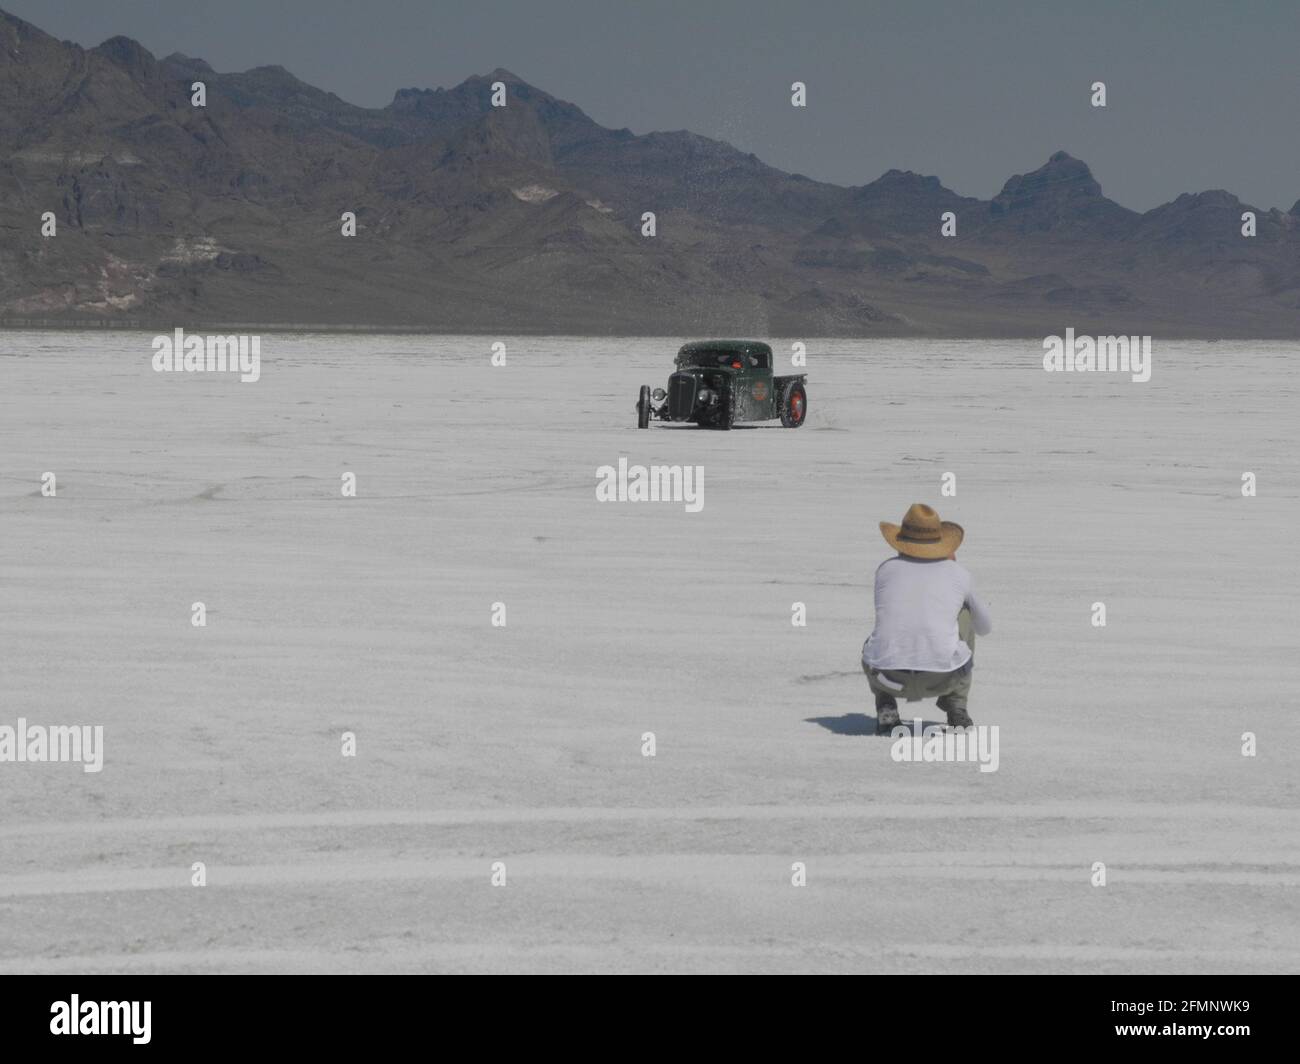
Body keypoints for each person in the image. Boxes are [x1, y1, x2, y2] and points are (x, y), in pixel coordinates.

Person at [861, 503, 993, 731]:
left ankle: (886, 706)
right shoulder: (958, 574)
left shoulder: (885, 570)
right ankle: (956, 707)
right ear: (941, 543)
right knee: (965, 613)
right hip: (943, 678)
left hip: (887, 678)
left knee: (880, 637)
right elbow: (984, 627)